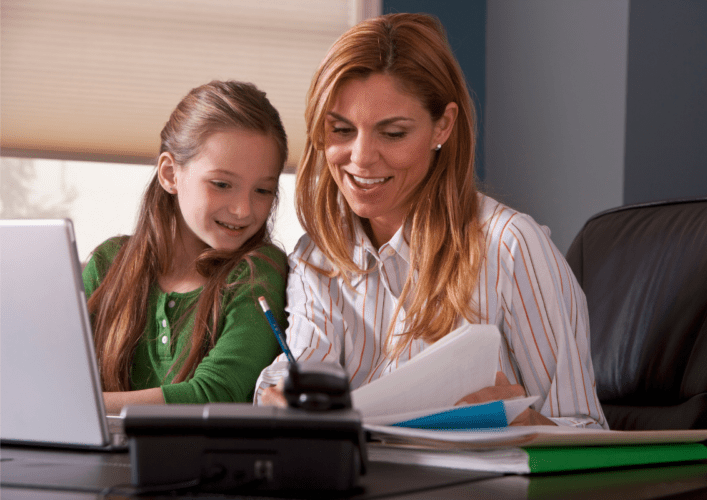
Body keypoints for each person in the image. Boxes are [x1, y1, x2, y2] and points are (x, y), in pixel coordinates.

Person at [256, 13, 607, 428]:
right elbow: (304, 365)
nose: (362, 157)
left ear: (442, 126)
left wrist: (523, 422)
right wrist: (278, 398)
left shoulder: (511, 247)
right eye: (342, 130)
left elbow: (587, 429)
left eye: (393, 133)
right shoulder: (317, 256)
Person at [84, 80, 289, 414]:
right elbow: (53, 379)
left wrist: (75, 407)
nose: (244, 210)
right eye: (222, 184)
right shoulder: (108, 263)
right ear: (170, 174)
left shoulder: (258, 270)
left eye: (263, 191)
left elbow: (215, 394)